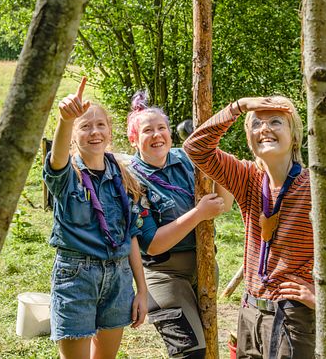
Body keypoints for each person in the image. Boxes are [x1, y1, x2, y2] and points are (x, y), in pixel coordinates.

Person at [184, 96, 326, 358]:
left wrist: (323, 297)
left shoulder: (316, 189)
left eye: (276, 121)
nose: (264, 128)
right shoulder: (247, 178)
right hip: (250, 311)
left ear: (294, 136)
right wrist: (239, 106)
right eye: (256, 124)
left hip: (292, 316)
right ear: (250, 141)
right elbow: (196, 147)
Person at [43, 77, 148, 359]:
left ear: (110, 131)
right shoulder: (67, 176)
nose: (94, 132)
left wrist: (142, 289)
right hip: (76, 277)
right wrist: (66, 120)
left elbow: (131, 236)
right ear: (74, 135)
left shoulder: (124, 175)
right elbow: (57, 159)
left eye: (100, 125)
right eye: (84, 126)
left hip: (118, 277)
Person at [126, 91, 231, 359]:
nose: (157, 135)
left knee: (207, 342)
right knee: (190, 352)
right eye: (148, 130)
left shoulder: (187, 159)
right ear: (134, 138)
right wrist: (198, 213)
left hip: (205, 264)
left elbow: (224, 203)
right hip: (164, 274)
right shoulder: (131, 178)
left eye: (162, 128)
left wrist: (213, 156)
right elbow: (152, 243)